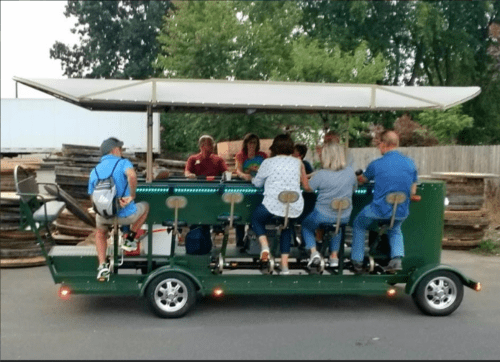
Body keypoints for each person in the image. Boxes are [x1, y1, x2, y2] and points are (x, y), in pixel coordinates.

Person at [350, 130, 418, 274]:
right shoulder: (410, 163)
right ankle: (396, 260)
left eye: (379, 144)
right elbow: (413, 191)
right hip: (401, 210)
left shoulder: (376, 164)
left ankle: (357, 261)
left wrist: (358, 176)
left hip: (379, 210)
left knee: (359, 223)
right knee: (395, 228)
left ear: (384, 144)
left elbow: (363, 181)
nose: (378, 147)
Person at [88, 137, 150, 280]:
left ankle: (103, 266)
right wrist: (132, 196)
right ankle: (130, 238)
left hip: (104, 216)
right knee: (146, 207)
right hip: (126, 216)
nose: (121, 151)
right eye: (120, 149)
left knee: (100, 233)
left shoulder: (95, 170)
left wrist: (101, 209)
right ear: (115, 150)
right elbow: (132, 176)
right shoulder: (123, 163)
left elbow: (92, 197)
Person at [250, 134, 312, 275]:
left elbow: (257, 183)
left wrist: (251, 178)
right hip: (293, 205)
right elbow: (305, 183)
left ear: (275, 147)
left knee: (256, 219)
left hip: (272, 204)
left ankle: (265, 246)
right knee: (287, 226)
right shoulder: (298, 163)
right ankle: (284, 266)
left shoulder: (268, 162)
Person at [301, 142, 357, 268]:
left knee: (306, 225)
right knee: (337, 226)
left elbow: (307, 188)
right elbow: (353, 189)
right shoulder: (350, 173)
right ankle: (334, 257)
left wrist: (303, 170)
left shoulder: (321, 174)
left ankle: (314, 253)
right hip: (344, 216)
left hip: (322, 215)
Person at [234, 133, 268, 248]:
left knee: (256, 212)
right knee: (241, 212)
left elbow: (267, 169)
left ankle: (255, 241)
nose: (252, 145)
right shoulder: (240, 155)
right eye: (250, 142)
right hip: (244, 186)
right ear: (246, 144)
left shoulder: (263, 155)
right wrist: (246, 174)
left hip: (259, 187)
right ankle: (239, 241)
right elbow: (238, 170)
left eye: (254, 142)